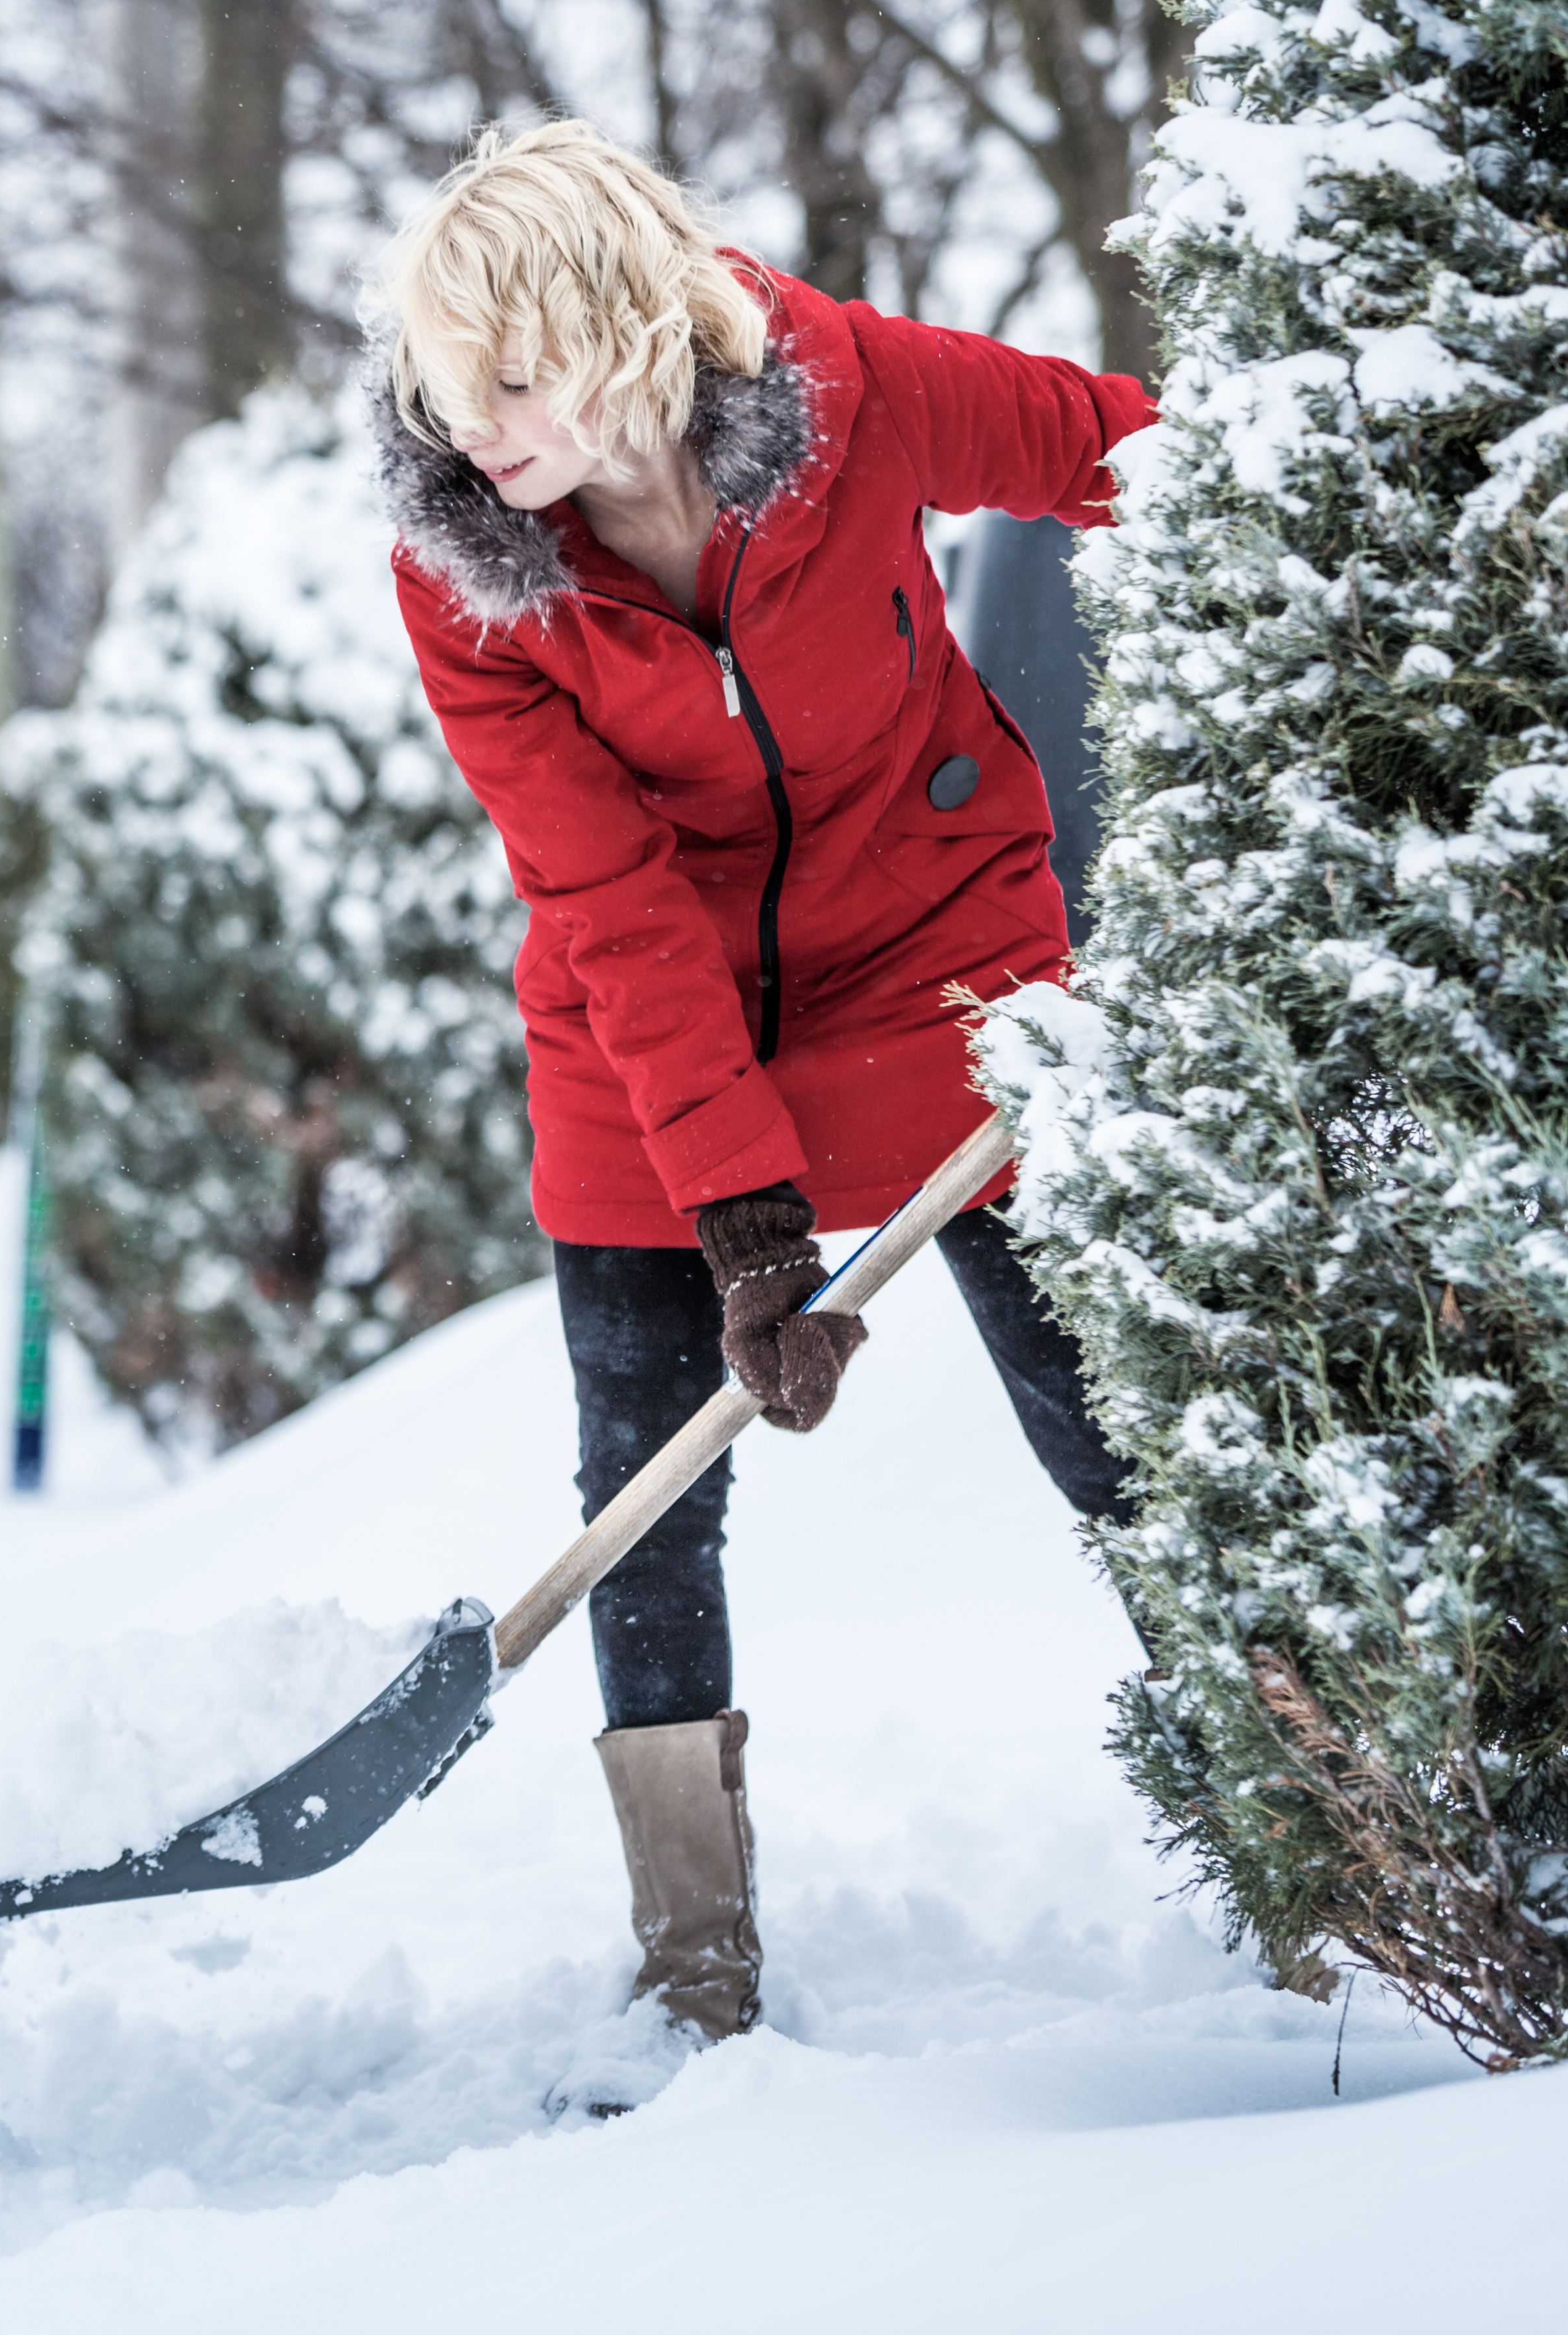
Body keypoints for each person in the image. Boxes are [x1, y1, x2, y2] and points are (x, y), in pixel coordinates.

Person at [358, 121, 1156, 2042]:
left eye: (517, 380)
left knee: (1111, 1416)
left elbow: (1124, 453)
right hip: (651, 1024)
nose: (481, 437)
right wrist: (741, 1225)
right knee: (645, 1486)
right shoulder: (475, 579)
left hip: (941, 951)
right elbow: (609, 902)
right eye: (453, 399)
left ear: (623, 324)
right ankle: (693, 1969)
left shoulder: (848, 394)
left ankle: (1328, 1828)